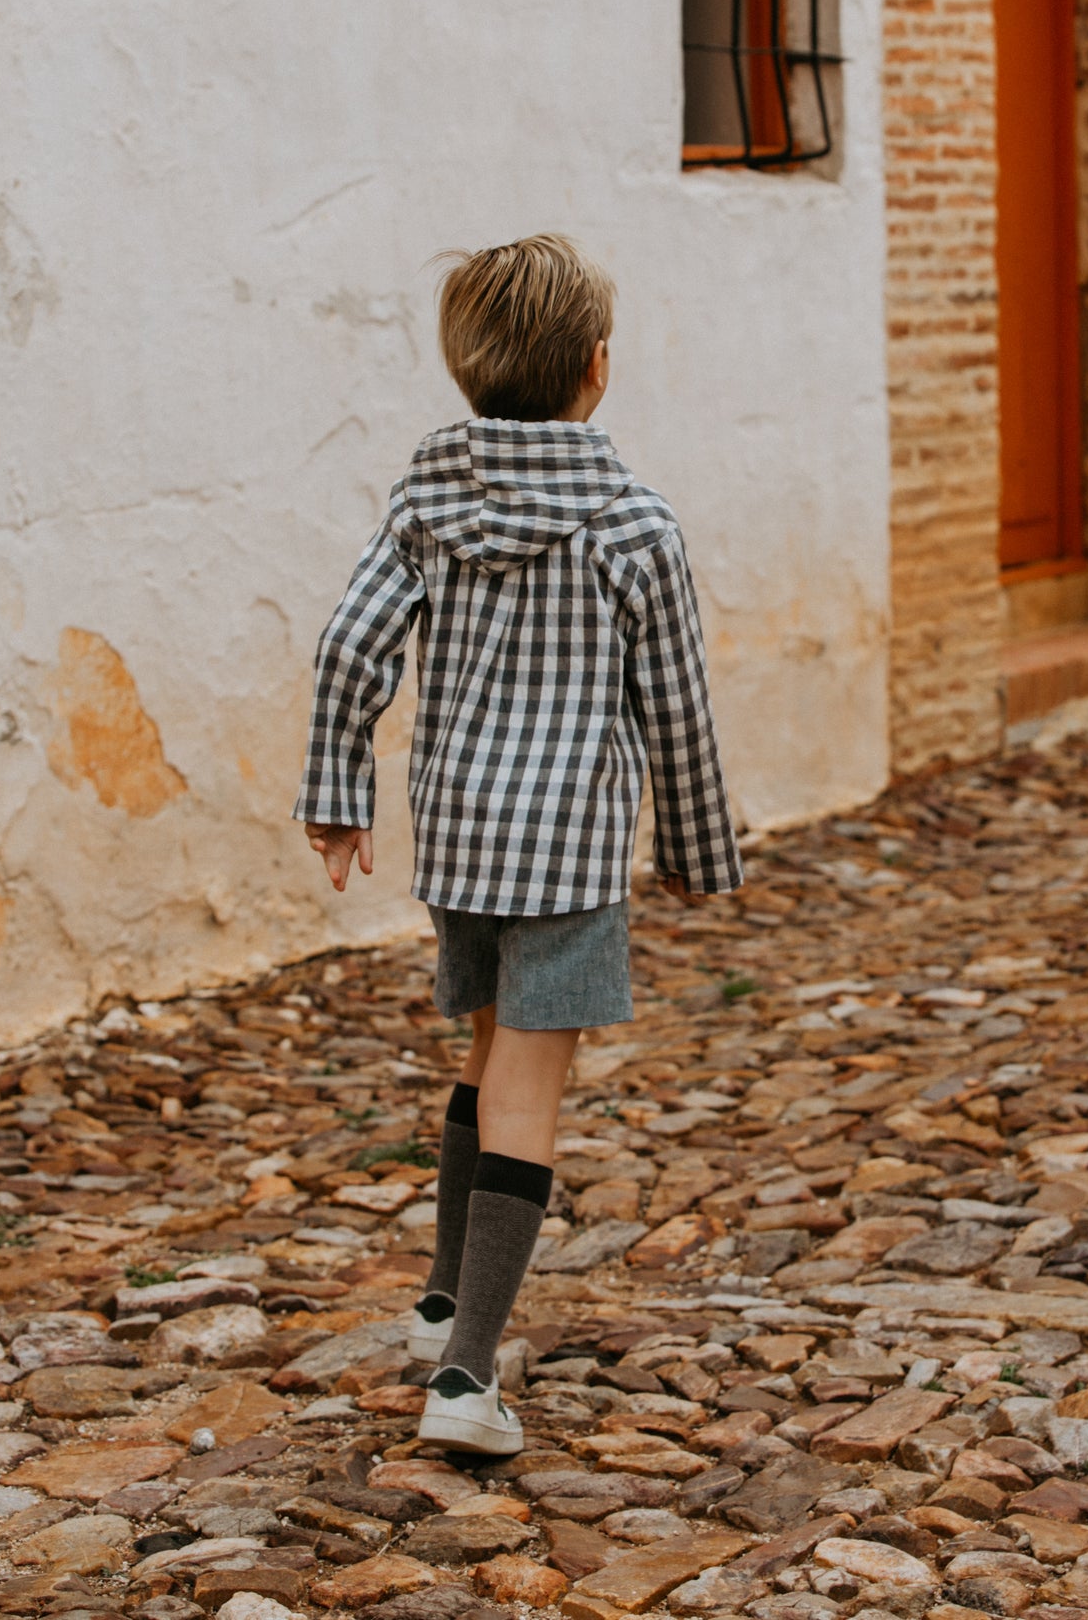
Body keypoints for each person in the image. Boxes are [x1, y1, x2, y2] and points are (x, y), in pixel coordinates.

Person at [295, 233, 742, 1453]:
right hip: (568, 850)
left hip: (460, 839)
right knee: (530, 1088)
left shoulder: (426, 504)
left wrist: (337, 791)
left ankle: (443, 1300)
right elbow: (676, 703)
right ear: (596, 364)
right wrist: (699, 848)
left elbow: (348, 645)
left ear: (466, 368)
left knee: (491, 1048)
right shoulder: (634, 524)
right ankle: (464, 1377)